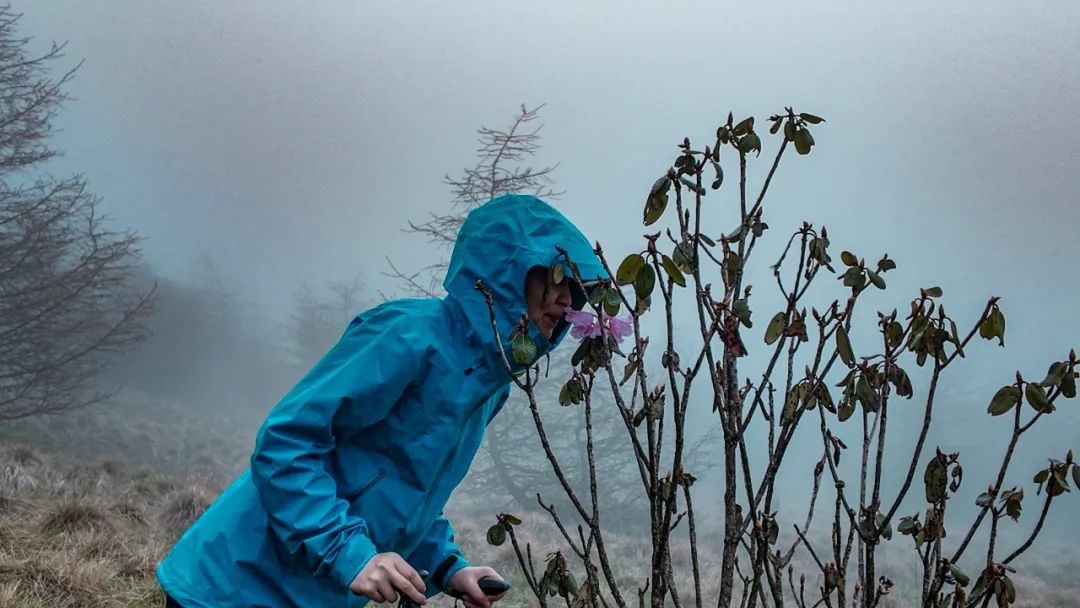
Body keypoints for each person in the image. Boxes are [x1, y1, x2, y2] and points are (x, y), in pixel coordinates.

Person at [156, 194, 607, 608]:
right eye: (554, 277)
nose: (567, 298)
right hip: (234, 584)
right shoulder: (407, 335)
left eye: (575, 288)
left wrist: (447, 566)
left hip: (311, 595)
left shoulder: (491, 386)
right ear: (506, 271)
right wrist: (347, 551)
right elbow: (286, 444)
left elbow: (405, 490)